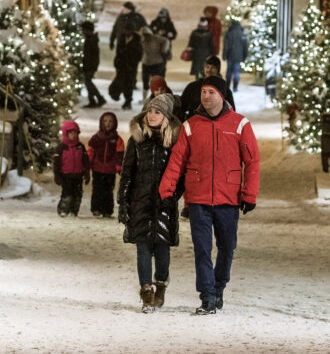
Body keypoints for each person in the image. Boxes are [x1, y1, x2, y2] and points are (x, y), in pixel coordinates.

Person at [158, 76, 260, 314]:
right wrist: (167, 190)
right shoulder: (190, 125)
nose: (205, 96)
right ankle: (207, 296)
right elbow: (177, 161)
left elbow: (252, 161)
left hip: (228, 198)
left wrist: (249, 194)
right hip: (199, 199)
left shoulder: (240, 124)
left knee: (227, 247)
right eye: (203, 92)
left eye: (211, 92)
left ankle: (219, 286)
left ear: (221, 96)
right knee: (202, 248)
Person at [118, 93, 184, 312]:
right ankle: (146, 292)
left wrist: (173, 196)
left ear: (166, 116)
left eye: (157, 112)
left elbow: (181, 175)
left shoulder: (174, 141)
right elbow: (127, 174)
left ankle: (161, 284)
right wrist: (123, 202)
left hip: (164, 204)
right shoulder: (136, 141)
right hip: (140, 202)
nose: (152, 115)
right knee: (143, 248)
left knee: (163, 250)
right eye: (150, 111)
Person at [87, 112, 124, 217]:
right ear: (101, 123)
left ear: (114, 123)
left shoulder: (117, 139)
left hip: (110, 169)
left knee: (108, 190)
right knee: (97, 189)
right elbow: (90, 151)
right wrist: (88, 163)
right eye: (105, 121)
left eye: (110, 121)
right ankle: (96, 208)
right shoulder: (96, 138)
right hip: (97, 168)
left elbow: (120, 153)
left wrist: (119, 165)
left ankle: (107, 210)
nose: (108, 123)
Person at [53, 120, 90, 217]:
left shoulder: (80, 147)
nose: (73, 135)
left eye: (75, 133)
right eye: (70, 133)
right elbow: (56, 163)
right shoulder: (61, 147)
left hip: (78, 175)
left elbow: (85, 161)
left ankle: (74, 211)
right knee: (67, 194)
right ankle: (63, 209)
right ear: (66, 134)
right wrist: (57, 175)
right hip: (66, 176)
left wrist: (86, 173)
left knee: (77, 195)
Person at [181, 55, 235, 120]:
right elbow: (182, 106)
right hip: (194, 124)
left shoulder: (224, 89)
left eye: (213, 68)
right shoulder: (193, 86)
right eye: (207, 67)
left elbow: (232, 111)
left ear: (218, 70)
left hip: (216, 124)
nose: (209, 70)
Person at [112, 23, 143, 110]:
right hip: (121, 65)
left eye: (128, 30)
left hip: (131, 67)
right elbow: (118, 51)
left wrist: (132, 62)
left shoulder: (137, 40)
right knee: (119, 81)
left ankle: (128, 101)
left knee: (129, 84)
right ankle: (117, 95)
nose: (126, 32)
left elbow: (139, 54)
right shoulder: (121, 39)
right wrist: (117, 61)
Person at [140, 26, 170, 96]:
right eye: (144, 35)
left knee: (157, 82)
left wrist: (164, 50)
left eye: (147, 34)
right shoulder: (142, 40)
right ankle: (145, 99)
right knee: (145, 82)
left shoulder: (156, 38)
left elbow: (166, 41)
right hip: (146, 63)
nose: (146, 36)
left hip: (157, 63)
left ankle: (158, 97)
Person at [81, 21, 105, 108]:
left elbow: (93, 55)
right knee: (88, 83)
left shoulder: (91, 40)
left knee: (88, 83)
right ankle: (93, 100)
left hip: (90, 66)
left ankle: (99, 98)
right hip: (88, 65)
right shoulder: (90, 39)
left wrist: (92, 66)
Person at [222, 19, 249, 93]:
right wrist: (245, 55)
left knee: (229, 71)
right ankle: (235, 87)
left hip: (230, 55)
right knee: (237, 72)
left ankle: (227, 86)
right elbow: (245, 46)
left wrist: (224, 55)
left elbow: (226, 45)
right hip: (238, 56)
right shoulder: (242, 34)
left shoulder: (229, 33)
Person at [150, 8, 177, 74]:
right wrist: (157, 33)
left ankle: (161, 78)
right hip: (155, 47)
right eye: (162, 17)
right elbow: (149, 33)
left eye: (165, 17)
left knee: (163, 64)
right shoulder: (154, 23)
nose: (163, 19)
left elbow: (174, 34)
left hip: (165, 48)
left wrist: (171, 35)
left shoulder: (170, 24)